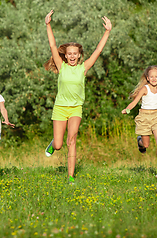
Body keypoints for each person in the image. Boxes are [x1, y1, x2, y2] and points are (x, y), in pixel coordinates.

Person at [43, 10, 112, 184]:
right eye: (69, 53)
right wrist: (48, 24)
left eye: (75, 53)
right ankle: (53, 143)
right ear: (65, 56)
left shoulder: (84, 67)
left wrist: (107, 31)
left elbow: (98, 49)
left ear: (79, 55)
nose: (72, 56)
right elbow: (52, 46)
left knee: (71, 140)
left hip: (75, 108)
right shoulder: (61, 67)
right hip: (60, 108)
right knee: (58, 145)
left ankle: (71, 176)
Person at [121, 65, 157, 178]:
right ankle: (140, 142)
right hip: (144, 117)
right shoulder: (145, 89)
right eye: (151, 76)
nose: (153, 79)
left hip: (156, 116)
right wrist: (127, 109)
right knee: (146, 145)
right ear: (147, 78)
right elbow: (135, 101)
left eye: (156, 76)